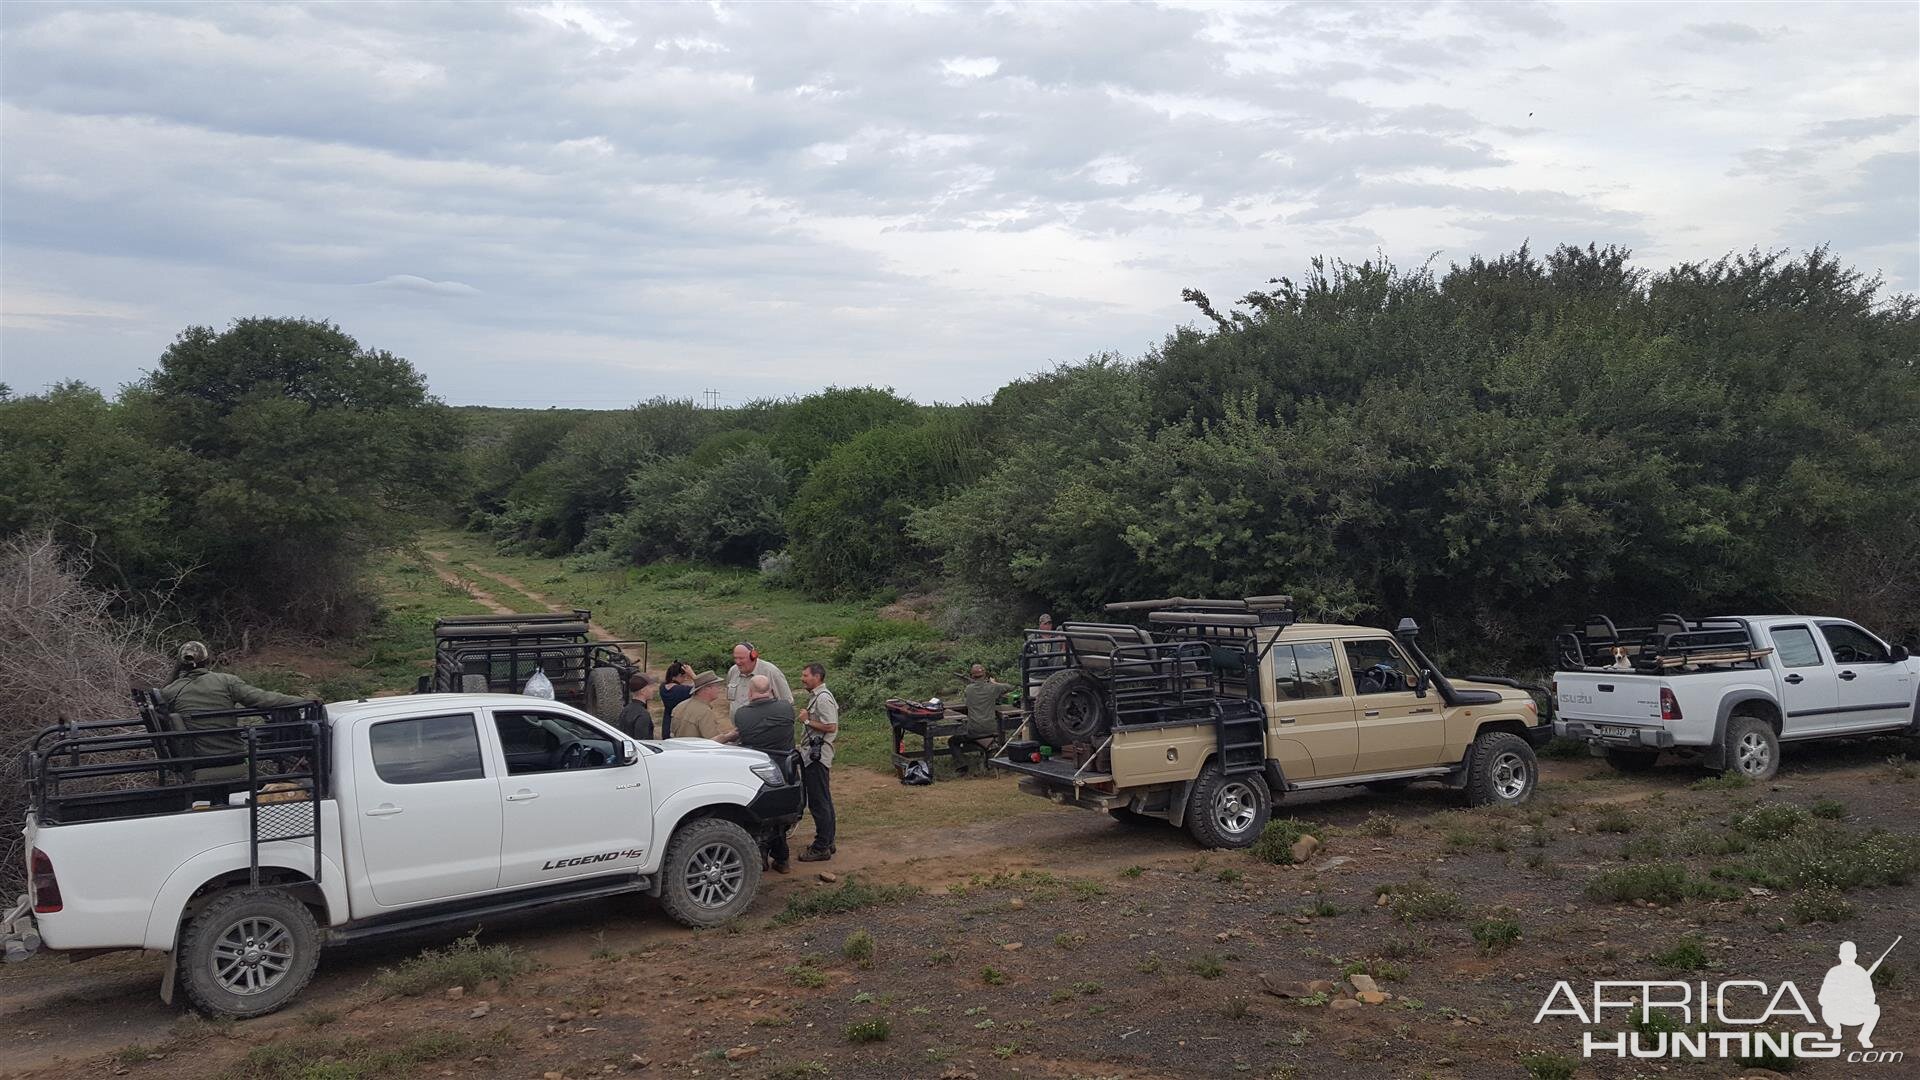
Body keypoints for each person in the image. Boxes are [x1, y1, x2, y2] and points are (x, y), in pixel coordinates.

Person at [157, 641, 308, 761]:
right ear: (208, 660)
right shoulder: (225, 681)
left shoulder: (170, 691)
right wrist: (303, 700)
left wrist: (176, 671)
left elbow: (161, 696)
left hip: (194, 755)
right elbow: (262, 698)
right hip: (230, 752)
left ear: (180, 664)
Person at [716, 675, 796, 873]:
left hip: (756, 772)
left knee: (757, 816)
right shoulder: (786, 708)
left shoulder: (742, 715)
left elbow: (744, 732)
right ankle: (782, 859)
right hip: (785, 770)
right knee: (780, 817)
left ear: (750, 693)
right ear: (771, 691)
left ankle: (761, 856)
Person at [795, 662, 838, 862]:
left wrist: (805, 720)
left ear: (817, 677)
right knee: (824, 800)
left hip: (817, 758)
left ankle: (821, 847)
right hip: (816, 756)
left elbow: (830, 726)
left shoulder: (822, 699)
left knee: (819, 803)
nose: (802, 678)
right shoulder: (819, 697)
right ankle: (828, 842)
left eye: (806, 675)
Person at [1818, 940, 1882, 1048]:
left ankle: (1864, 1036)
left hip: (1855, 1014)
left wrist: (1857, 998)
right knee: (1826, 1008)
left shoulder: (1861, 973)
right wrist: (1838, 998)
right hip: (1837, 1014)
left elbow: (1871, 998)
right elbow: (1822, 998)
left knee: (1875, 1009)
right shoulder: (1834, 972)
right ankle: (1836, 1029)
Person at [954, 663, 1010, 771]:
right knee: (985, 738)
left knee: (953, 741)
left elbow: (968, 701)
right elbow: (1009, 687)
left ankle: (961, 766)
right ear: (985, 675)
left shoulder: (968, 689)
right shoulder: (993, 687)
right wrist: (995, 683)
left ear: (972, 676)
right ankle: (989, 752)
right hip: (991, 728)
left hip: (974, 730)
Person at [670, 671, 734, 741]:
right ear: (707, 688)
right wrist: (730, 736)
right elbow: (713, 742)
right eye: (716, 686)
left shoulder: (679, 706)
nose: (719, 689)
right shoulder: (705, 712)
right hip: (697, 750)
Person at [726, 642, 792, 708]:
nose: (737, 662)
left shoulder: (771, 672)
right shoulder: (733, 671)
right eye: (735, 658)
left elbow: (787, 701)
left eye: (741, 658)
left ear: (753, 656)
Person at [659, 661, 696, 738]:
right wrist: (692, 674)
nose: (685, 679)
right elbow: (701, 685)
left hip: (667, 723)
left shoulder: (662, 687)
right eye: (684, 676)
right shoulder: (682, 690)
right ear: (679, 675)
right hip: (679, 724)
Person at [617, 672, 658, 739]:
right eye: (650, 687)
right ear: (643, 691)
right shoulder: (642, 714)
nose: (653, 690)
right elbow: (642, 742)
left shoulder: (625, 710)